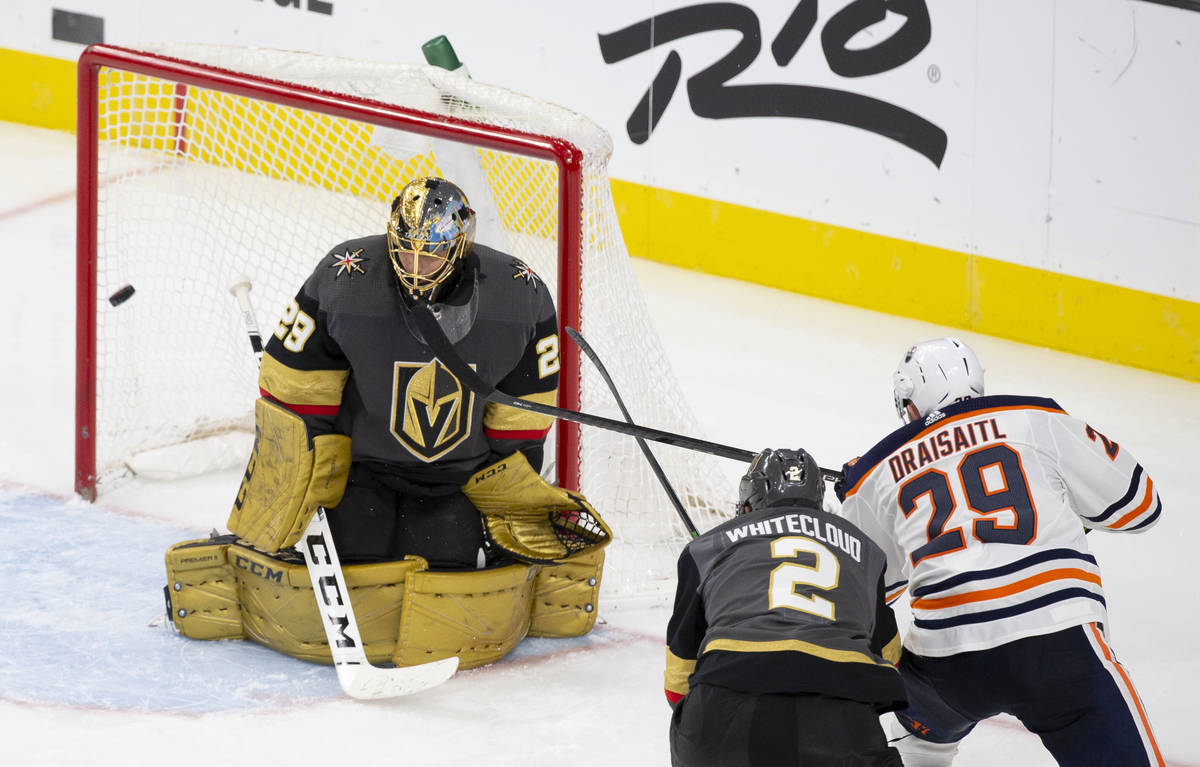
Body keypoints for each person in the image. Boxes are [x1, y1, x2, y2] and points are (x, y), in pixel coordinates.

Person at [163, 177, 610, 669]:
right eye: (405, 252)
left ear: (460, 247)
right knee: (359, 570)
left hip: (455, 480)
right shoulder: (345, 277)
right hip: (363, 471)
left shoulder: (517, 296)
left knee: (446, 580)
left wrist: (503, 492)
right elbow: (296, 389)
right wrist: (307, 473)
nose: (415, 268)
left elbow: (522, 416)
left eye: (430, 257)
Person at [837, 337, 1164, 766]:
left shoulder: (876, 471)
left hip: (948, 664)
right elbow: (1142, 506)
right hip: (1058, 643)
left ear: (909, 405)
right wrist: (1064, 506)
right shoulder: (1037, 416)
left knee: (912, 735)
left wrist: (857, 499)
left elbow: (870, 590)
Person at [665, 448, 907, 767]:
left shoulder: (704, 548)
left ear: (749, 501)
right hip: (840, 714)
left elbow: (677, 682)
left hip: (723, 710)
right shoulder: (867, 550)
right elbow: (890, 656)